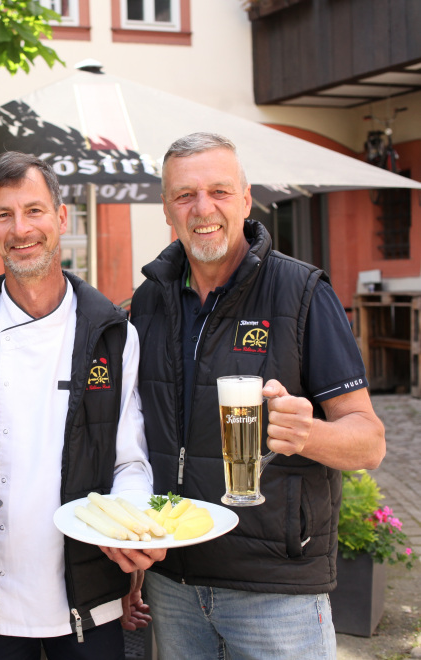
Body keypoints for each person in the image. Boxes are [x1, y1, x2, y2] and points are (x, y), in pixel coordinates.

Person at [130, 132, 386, 659]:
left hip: (275, 591)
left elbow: (370, 442)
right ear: (167, 210)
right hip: (173, 582)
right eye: (185, 196)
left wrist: (309, 434)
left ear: (246, 200)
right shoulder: (149, 300)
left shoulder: (301, 292)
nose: (204, 209)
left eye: (220, 191)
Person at [0, 151, 164, 660]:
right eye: (4, 215)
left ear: (61, 217)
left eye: (34, 211)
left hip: (91, 595)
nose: (20, 229)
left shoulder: (112, 332)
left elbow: (131, 459)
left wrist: (132, 532)